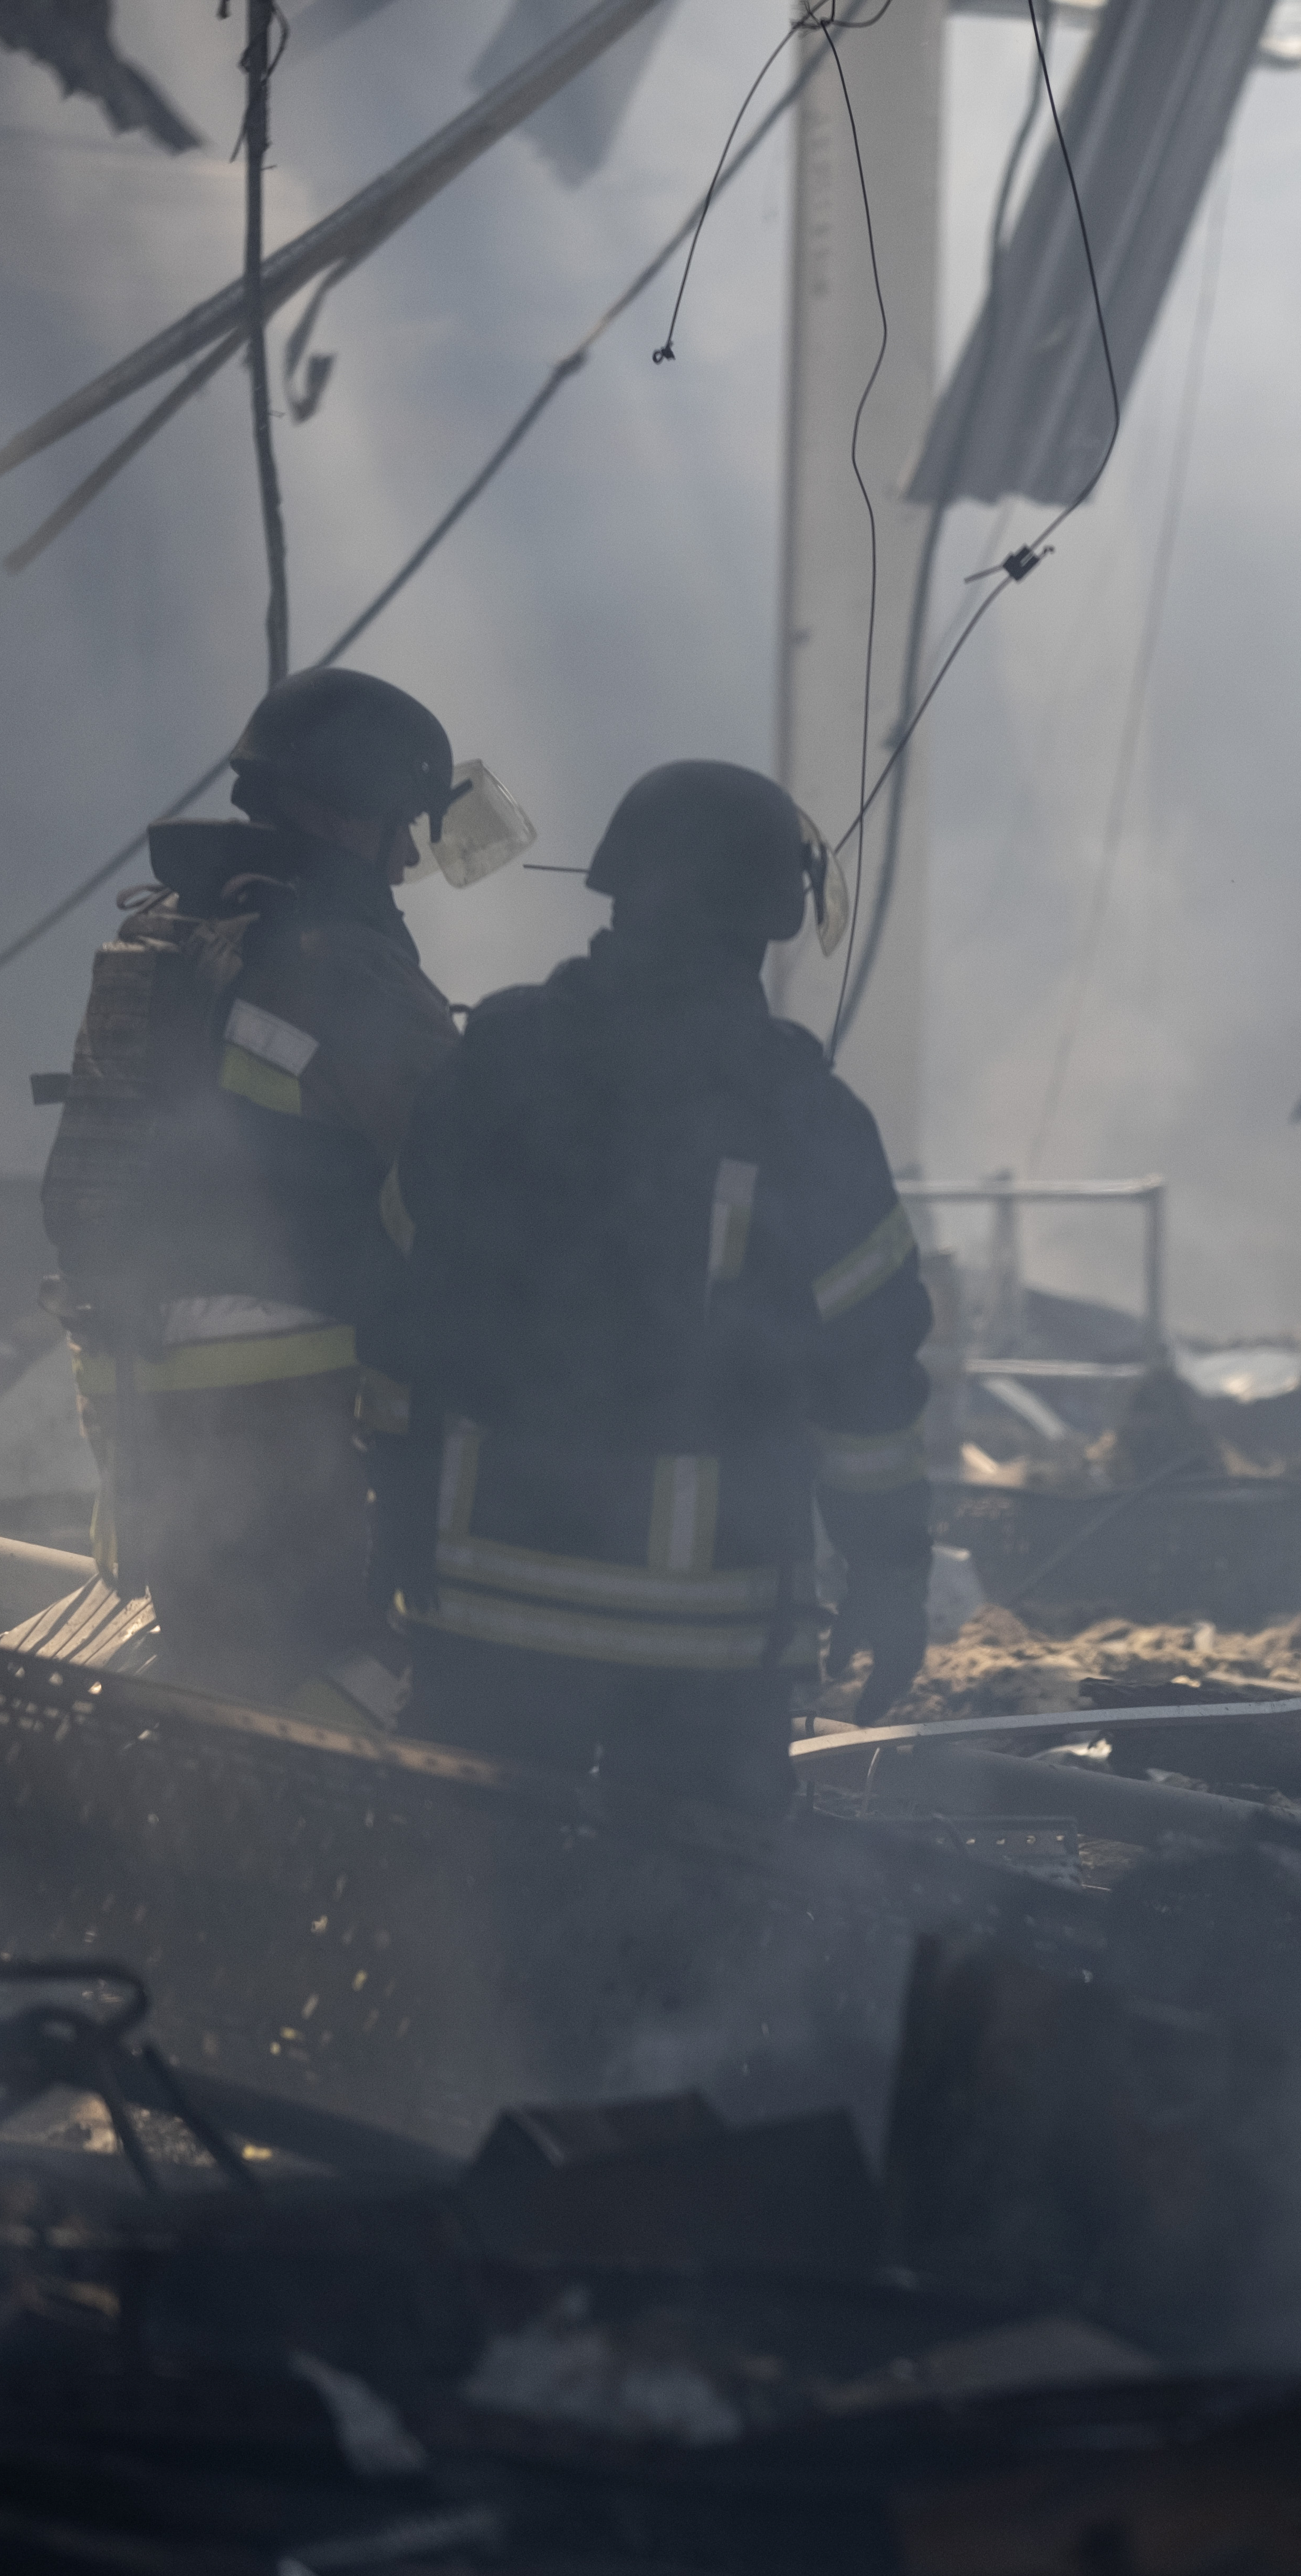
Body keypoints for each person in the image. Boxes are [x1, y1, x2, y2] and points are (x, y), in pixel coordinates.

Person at [374, 759, 933, 1812]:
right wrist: (893, 1576)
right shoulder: (804, 1117)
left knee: (460, 1891)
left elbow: (400, 1311)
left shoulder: (491, 1067)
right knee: (693, 1902)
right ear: (773, 918)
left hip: (482, 1606)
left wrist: (391, 1521)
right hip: (703, 1641)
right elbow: (868, 1386)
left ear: (619, 889)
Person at [37, 667, 469, 1720]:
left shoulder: (152, 943)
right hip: (295, 1420)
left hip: (140, 1402)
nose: (408, 861)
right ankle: (297, 1814)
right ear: (349, 813)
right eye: (402, 829)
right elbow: (466, 1174)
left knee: (219, 1667)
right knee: (372, 1666)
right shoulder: (344, 971)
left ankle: (185, 1812)